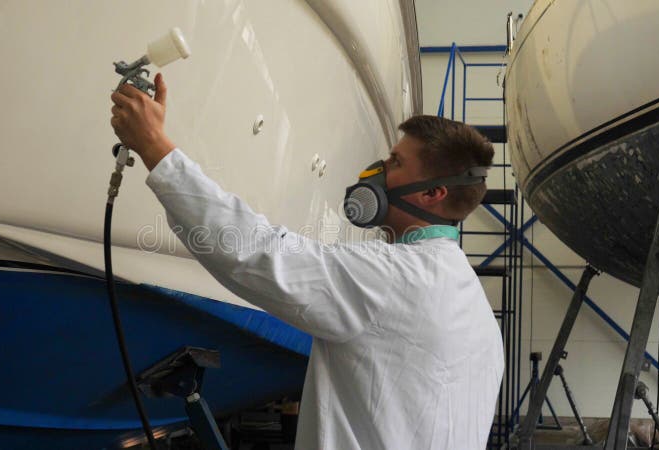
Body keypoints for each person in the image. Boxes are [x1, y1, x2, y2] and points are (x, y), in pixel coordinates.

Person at [110, 73, 504, 449]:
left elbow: (256, 253)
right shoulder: (478, 314)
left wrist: (155, 147)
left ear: (432, 193)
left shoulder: (393, 279)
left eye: (396, 162)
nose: (378, 171)